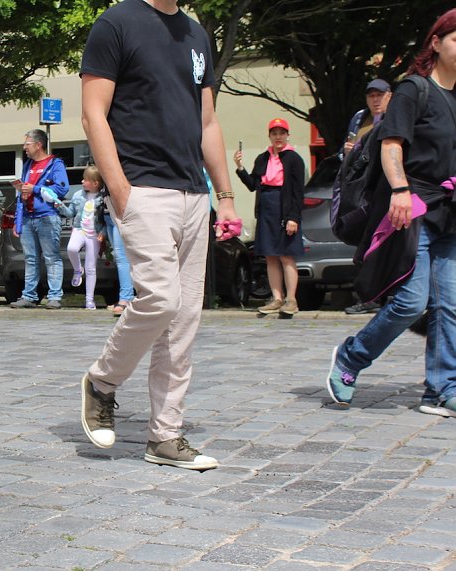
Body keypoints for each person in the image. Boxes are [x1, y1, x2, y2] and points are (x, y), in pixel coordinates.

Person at [79, 0, 239, 470]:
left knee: (184, 319)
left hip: (194, 194)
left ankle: (165, 436)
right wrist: (120, 188)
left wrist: (224, 194)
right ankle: (103, 381)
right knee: (161, 300)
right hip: (142, 189)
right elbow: (94, 114)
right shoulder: (117, 23)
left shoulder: (196, 34)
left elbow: (207, 122)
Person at [326, 8, 456, 417]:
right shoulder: (413, 90)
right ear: (436, 43)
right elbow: (391, 144)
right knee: (411, 302)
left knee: (450, 305)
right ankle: (351, 357)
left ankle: (441, 388)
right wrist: (399, 189)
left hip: (450, 212)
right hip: (412, 207)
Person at [233, 118, 305, 316]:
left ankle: (291, 299)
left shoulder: (294, 159)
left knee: (286, 255)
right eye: (274, 133)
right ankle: (277, 297)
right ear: (270, 136)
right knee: (271, 256)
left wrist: (294, 217)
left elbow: (298, 192)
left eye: (282, 133)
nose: (278, 137)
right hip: (266, 209)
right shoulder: (263, 158)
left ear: (287, 135)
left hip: (284, 208)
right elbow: (253, 185)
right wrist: (240, 168)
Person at [343, 79, 392, 316]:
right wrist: (347, 155)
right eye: (371, 95)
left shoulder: (394, 120)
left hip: (388, 192)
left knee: (375, 247)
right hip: (365, 194)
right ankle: (373, 296)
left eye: (380, 95)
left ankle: (375, 297)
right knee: (365, 247)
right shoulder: (360, 121)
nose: (375, 100)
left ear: (389, 96)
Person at [9, 129, 70, 310]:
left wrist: (34, 188)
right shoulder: (27, 165)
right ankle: (29, 296)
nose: (24, 148)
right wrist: (18, 221)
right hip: (28, 217)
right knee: (30, 258)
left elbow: (61, 189)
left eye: (27, 144)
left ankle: (54, 296)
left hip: (47, 217)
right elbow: (22, 195)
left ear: (38, 145)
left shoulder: (55, 164)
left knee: (51, 257)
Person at [66, 166, 106, 310]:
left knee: (91, 267)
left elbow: (107, 218)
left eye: (86, 180)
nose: (82, 181)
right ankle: (77, 269)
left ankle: (89, 300)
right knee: (71, 248)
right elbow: (70, 213)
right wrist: (58, 205)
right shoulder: (78, 195)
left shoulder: (102, 198)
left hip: (94, 234)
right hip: (79, 228)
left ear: (95, 183)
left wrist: (104, 232)